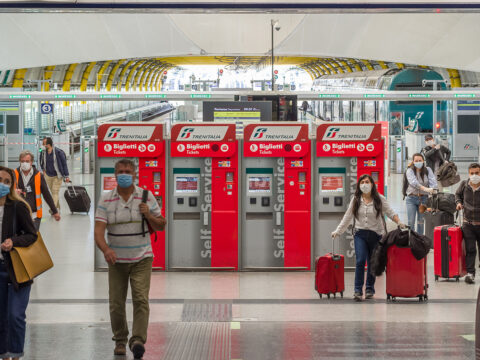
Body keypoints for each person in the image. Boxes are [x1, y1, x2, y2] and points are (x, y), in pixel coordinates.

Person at [94, 159, 166, 359]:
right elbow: (99, 231)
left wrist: (149, 215)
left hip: (142, 257)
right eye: (120, 171)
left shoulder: (146, 196)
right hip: (116, 260)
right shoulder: (106, 199)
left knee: (140, 299)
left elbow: (161, 225)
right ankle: (120, 340)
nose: (124, 174)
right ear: (115, 175)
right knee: (116, 303)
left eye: (128, 171)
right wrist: (106, 249)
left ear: (135, 174)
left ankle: (137, 340)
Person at [331, 174, 405, 301]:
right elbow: (347, 217)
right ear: (359, 185)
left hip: (376, 234)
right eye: (362, 182)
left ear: (372, 185)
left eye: (367, 182)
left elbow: (390, 212)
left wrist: (399, 222)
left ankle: (370, 289)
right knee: (360, 261)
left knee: (372, 262)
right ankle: (357, 290)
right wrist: (338, 231)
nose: (365, 184)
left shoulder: (379, 198)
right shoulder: (356, 200)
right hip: (360, 234)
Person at [0, 166, 38, 360]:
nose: (3, 185)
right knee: (1, 317)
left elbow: (32, 235)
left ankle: (16, 354)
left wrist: (13, 242)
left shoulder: (18, 206)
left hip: (17, 267)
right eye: (0, 180)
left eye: (7, 182)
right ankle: (4, 355)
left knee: (15, 315)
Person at [14, 150, 60, 231]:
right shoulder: (14, 174)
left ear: (31, 162)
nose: (24, 163)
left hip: (34, 215)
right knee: (20, 239)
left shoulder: (38, 175)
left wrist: (54, 211)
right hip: (18, 214)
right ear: (19, 161)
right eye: (22, 161)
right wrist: (13, 192)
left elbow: (46, 195)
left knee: (32, 237)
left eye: (27, 161)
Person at [455, 163, 480, 284]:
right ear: (469, 174)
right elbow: (457, 195)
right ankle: (470, 274)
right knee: (470, 249)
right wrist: (459, 203)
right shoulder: (464, 184)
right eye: (472, 173)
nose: (474, 175)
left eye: (477, 173)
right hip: (468, 223)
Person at [405, 153, 438, 235]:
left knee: (421, 222)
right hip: (411, 199)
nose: (418, 162)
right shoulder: (409, 170)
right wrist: (425, 188)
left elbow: (433, 181)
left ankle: (419, 241)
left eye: (420, 160)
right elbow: (413, 182)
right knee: (411, 222)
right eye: (416, 161)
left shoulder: (428, 170)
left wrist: (433, 189)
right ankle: (412, 240)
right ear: (413, 161)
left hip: (424, 199)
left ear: (423, 161)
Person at [39, 137, 70, 211]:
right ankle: (57, 206)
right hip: (48, 175)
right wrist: (43, 169)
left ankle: (53, 209)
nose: (42, 145)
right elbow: (41, 162)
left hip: (58, 176)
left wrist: (67, 176)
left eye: (44, 143)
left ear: (48, 144)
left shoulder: (59, 152)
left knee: (55, 192)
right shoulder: (43, 152)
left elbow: (64, 164)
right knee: (53, 192)